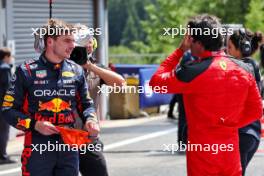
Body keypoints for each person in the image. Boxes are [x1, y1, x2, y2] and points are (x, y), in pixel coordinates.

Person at [149, 14, 262, 176]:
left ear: (198, 43)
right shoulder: (244, 69)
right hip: (230, 152)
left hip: (202, 155)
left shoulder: (192, 71)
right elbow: (256, 111)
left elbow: (156, 82)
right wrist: (230, 125)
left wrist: (180, 50)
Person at [1, 19, 99, 176]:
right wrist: (34, 124)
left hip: (69, 146)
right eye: (67, 40)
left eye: (73, 41)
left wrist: (91, 120)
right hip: (37, 146)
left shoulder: (77, 71)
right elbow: (8, 110)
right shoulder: (26, 71)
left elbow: (87, 105)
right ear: (50, 42)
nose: (73, 45)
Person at [74, 31, 125, 176]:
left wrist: (90, 67)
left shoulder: (96, 68)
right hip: (63, 138)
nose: (87, 46)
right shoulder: (59, 66)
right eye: (83, 43)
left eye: (90, 42)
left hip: (88, 138)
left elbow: (120, 83)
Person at [227, 29, 263, 176]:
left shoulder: (234, 67)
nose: (226, 51)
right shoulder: (253, 65)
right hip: (253, 134)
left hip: (239, 133)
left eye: (229, 47)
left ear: (242, 48)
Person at [0, 48, 16, 164]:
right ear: (6, 57)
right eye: (10, 56)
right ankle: (2, 156)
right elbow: (8, 89)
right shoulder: (5, 69)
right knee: (3, 131)